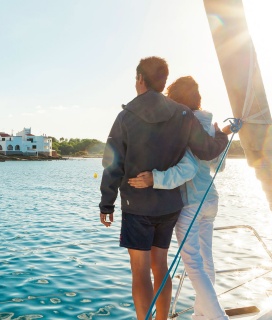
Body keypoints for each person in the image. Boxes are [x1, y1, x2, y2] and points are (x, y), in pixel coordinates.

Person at [99, 57, 229, 320]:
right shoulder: (183, 114)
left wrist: (107, 203)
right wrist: (223, 135)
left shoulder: (126, 116)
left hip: (137, 205)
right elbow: (207, 150)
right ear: (164, 81)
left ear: (139, 79)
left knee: (140, 271)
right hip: (170, 206)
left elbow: (112, 163)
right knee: (160, 266)